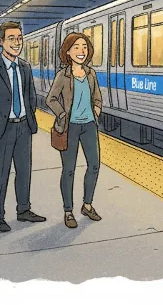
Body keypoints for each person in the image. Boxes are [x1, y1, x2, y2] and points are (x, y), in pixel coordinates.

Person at [0, 21, 46, 232]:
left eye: (19, 38)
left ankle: (23, 210)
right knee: (1, 174)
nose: (17, 43)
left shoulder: (24, 67)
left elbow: (30, 95)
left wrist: (30, 117)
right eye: (12, 39)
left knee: (24, 171)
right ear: (1, 42)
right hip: (3, 129)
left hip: (23, 127)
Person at [47, 33, 104, 229]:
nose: (82, 51)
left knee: (94, 165)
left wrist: (96, 111)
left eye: (85, 47)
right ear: (68, 52)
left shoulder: (91, 74)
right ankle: (68, 210)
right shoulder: (63, 76)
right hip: (69, 128)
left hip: (89, 126)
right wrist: (62, 115)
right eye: (77, 47)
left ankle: (87, 205)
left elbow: (97, 97)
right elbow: (51, 99)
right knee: (69, 170)